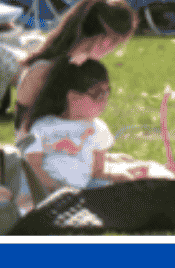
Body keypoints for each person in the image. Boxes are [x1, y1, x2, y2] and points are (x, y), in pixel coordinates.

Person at [14, 0, 139, 132]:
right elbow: (23, 133)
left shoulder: (87, 69)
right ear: (105, 41)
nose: (111, 49)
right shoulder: (41, 70)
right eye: (116, 42)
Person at [18, 57, 140, 196]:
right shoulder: (43, 126)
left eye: (107, 92)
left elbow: (96, 173)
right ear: (73, 96)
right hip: (45, 190)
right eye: (98, 94)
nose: (105, 100)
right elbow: (33, 166)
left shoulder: (99, 128)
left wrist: (119, 177)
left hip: (79, 191)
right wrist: (56, 189)